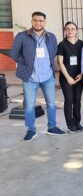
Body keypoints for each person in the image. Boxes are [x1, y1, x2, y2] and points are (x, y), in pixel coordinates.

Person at [10, 11, 65, 141]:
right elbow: (13, 54)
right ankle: (31, 130)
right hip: (30, 77)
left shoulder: (51, 37)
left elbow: (54, 54)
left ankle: (52, 127)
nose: (38, 23)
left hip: (47, 76)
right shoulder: (22, 36)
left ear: (45, 22)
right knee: (29, 106)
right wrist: (25, 65)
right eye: (35, 20)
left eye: (41, 21)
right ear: (32, 21)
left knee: (51, 104)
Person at [57, 22, 83, 133]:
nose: (70, 30)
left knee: (77, 100)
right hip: (66, 77)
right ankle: (70, 124)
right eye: (68, 28)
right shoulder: (62, 44)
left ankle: (77, 122)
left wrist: (82, 74)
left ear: (76, 31)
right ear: (65, 31)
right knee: (69, 100)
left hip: (78, 76)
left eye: (73, 28)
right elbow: (60, 62)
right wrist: (68, 77)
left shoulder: (81, 44)